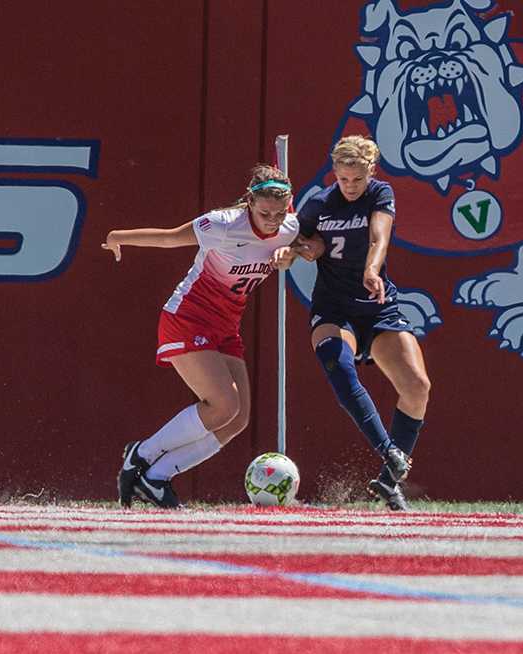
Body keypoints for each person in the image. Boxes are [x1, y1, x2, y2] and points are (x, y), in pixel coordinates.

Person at [102, 164, 301, 509]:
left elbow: (312, 242)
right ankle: (142, 453)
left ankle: (156, 477)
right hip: (188, 318)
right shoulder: (223, 224)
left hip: (226, 326)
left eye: (278, 213)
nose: (271, 220)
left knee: (237, 419)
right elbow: (170, 237)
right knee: (222, 404)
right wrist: (119, 236)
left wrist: (295, 252)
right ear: (250, 202)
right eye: (264, 212)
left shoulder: (289, 227)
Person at [278, 135, 431, 511]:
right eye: (343, 179)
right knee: (339, 367)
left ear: (370, 173)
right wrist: (293, 252)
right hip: (334, 308)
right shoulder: (320, 202)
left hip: (376, 304)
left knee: (417, 385)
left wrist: (371, 271)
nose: (349, 187)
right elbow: (308, 244)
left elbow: (380, 236)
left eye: (356, 180)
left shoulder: (380, 195)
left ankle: (388, 480)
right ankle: (389, 450)